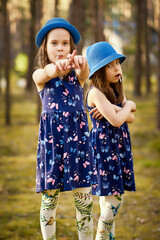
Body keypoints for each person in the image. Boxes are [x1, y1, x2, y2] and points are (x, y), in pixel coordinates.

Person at [32, 17, 93, 240]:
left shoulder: (77, 76)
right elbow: (44, 73)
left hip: (78, 141)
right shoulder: (41, 76)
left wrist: (82, 66)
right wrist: (54, 69)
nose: (60, 48)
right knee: (49, 199)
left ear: (71, 48)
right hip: (52, 144)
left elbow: (84, 75)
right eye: (54, 43)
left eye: (65, 43)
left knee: (84, 199)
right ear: (45, 48)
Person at [85, 41, 136, 240]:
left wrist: (122, 107)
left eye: (117, 63)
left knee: (108, 201)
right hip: (104, 150)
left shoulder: (115, 91)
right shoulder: (95, 93)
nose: (116, 68)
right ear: (98, 71)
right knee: (115, 202)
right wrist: (126, 107)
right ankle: (100, 237)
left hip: (117, 148)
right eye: (109, 65)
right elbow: (117, 121)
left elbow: (131, 117)